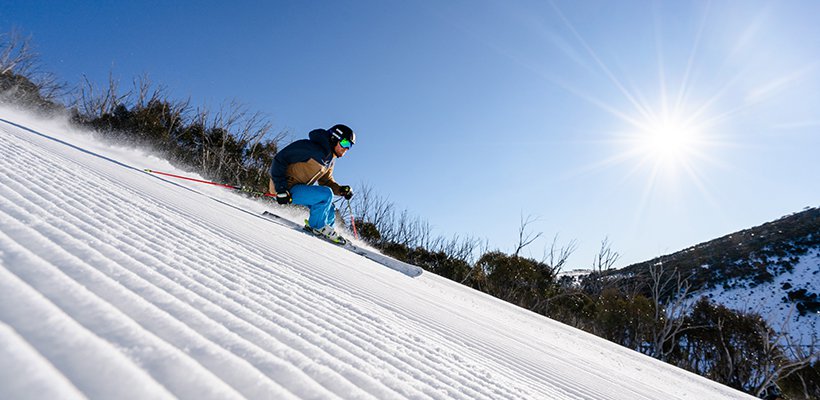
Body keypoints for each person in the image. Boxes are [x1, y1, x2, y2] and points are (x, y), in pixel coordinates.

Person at [269, 124, 355, 244]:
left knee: (329, 207)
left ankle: (327, 231)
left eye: (349, 146)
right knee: (326, 195)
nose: (346, 149)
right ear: (334, 138)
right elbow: (280, 159)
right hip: (285, 188)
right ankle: (317, 227)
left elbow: (326, 181)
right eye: (345, 143)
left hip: (300, 189)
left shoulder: (329, 160)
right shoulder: (310, 148)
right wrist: (281, 188)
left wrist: (340, 190)